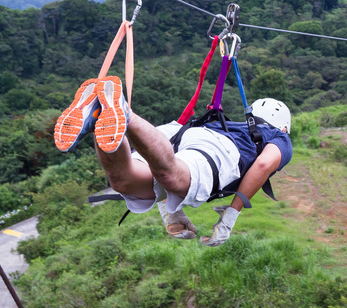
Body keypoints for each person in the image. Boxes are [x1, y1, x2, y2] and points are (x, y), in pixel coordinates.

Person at [53, 75, 292, 246]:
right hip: (217, 148)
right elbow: (263, 164)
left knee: (123, 180)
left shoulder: (234, 124)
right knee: (172, 175)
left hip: (179, 133)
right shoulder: (279, 136)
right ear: (283, 126)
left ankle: (99, 116)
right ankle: (124, 113)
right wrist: (229, 218)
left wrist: (172, 212)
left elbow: (165, 172)